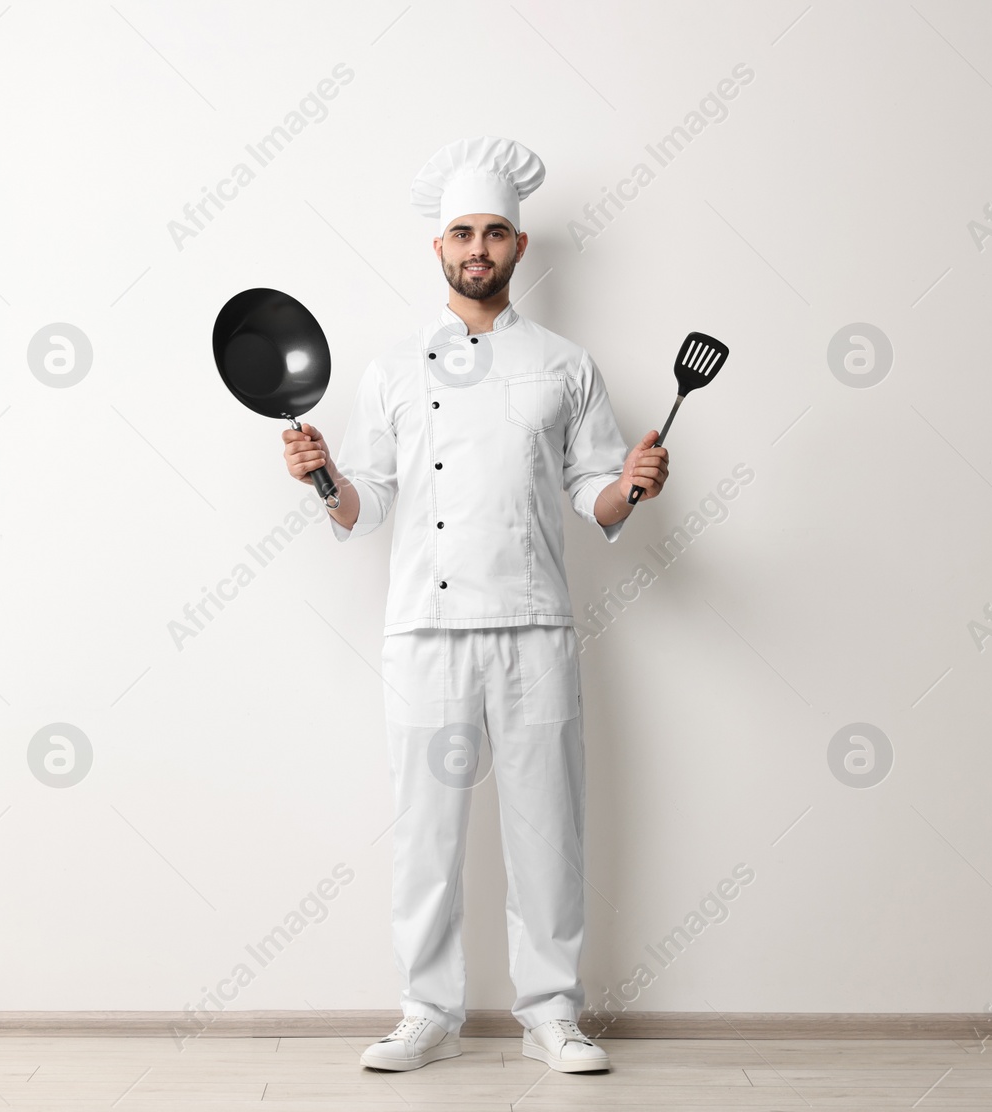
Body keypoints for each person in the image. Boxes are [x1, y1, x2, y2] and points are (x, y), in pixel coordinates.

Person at [281, 136, 669, 1074]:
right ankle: (426, 1009)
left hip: (533, 626)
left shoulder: (567, 366)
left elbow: (594, 491)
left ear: (520, 248)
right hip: (424, 631)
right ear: (439, 249)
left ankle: (552, 1011)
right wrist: (323, 475)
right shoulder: (393, 370)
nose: (479, 248)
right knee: (425, 833)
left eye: (496, 232)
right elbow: (366, 500)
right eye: (463, 232)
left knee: (549, 829)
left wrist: (634, 486)